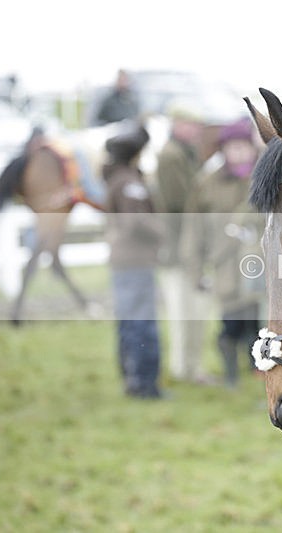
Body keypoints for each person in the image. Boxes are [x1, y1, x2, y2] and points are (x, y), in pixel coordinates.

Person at [181, 118, 267, 386]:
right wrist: (195, 269)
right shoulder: (209, 182)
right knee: (231, 320)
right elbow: (193, 228)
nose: (239, 153)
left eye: (243, 147)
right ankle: (231, 374)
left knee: (256, 321)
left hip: (258, 262)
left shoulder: (264, 177)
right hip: (224, 263)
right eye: (233, 147)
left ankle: (255, 370)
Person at [103, 123, 165, 399]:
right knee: (141, 323)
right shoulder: (129, 183)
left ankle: (133, 379)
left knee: (129, 321)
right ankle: (144, 383)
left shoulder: (118, 179)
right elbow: (136, 222)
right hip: (135, 261)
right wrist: (163, 232)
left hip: (125, 261)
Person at [154, 100, 209, 383]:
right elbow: (178, 202)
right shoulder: (171, 156)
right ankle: (182, 369)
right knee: (182, 313)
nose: (196, 129)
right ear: (176, 124)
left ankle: (192, 368)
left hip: (188, 248)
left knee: (195, 311)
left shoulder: (187, 153)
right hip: (176, 248)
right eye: (191, 124)